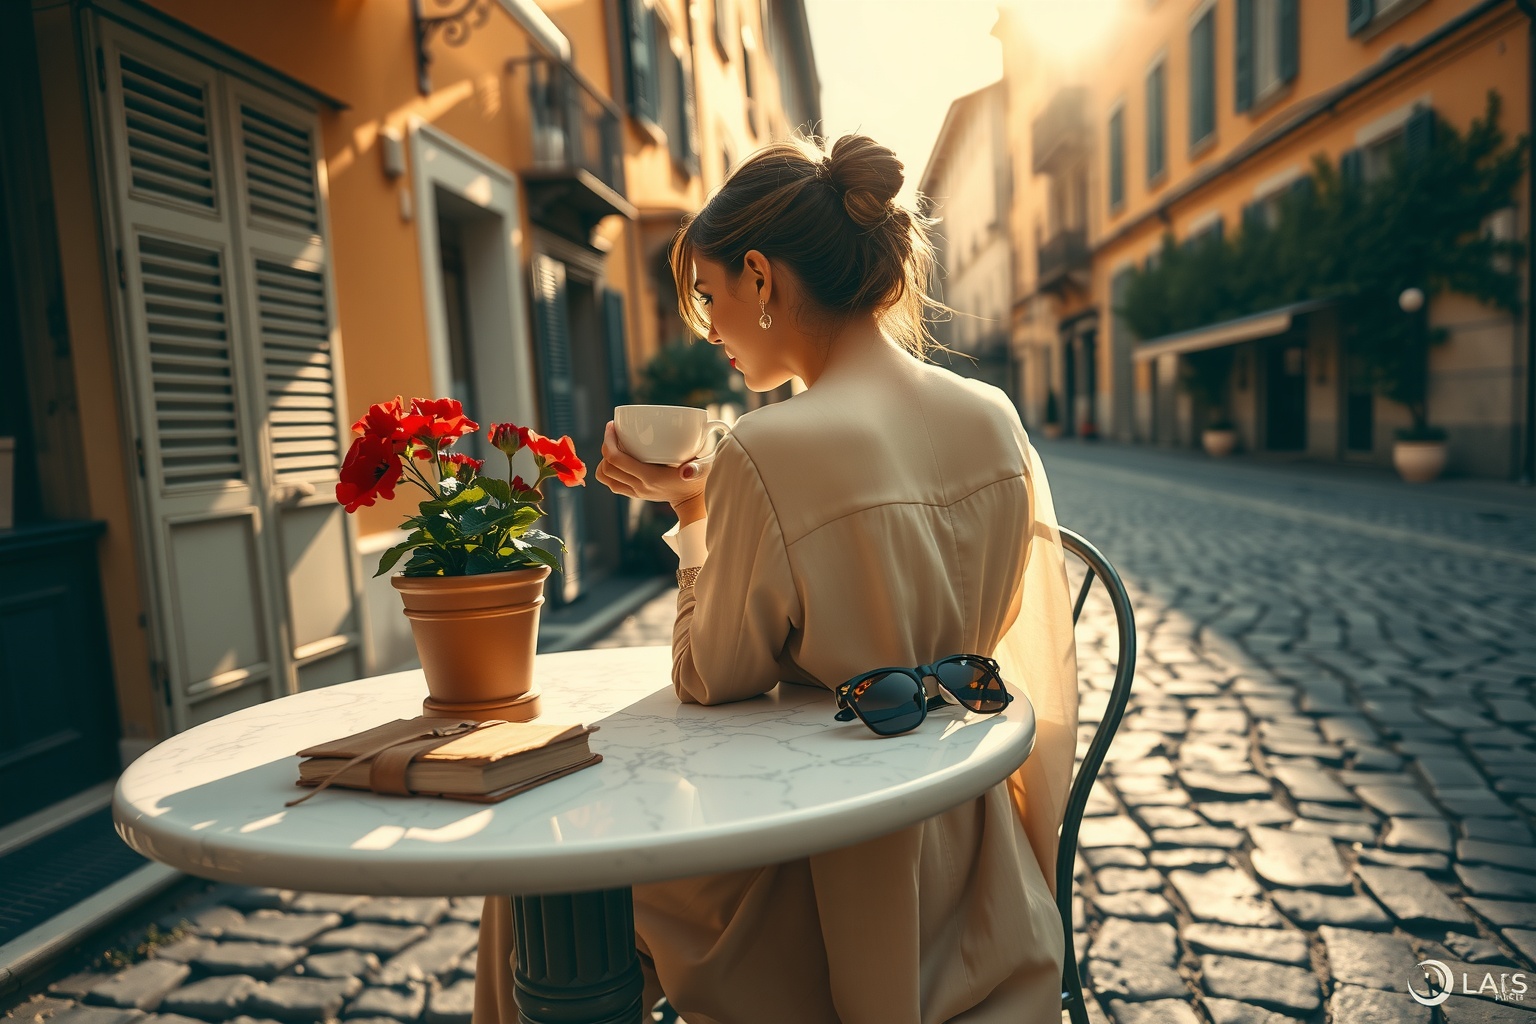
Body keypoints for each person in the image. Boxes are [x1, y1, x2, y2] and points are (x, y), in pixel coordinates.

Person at [474, 133, 1079, 1023]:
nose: (709, 327)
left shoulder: (767, 447)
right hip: (973, 856)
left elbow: (711, 678)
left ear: (762, 278)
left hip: (820, 873)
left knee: (534, 879)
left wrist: (692, 515)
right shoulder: (993, 417)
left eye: (710, 296)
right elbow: (1040, 651)